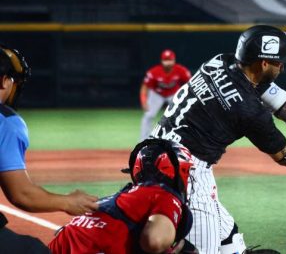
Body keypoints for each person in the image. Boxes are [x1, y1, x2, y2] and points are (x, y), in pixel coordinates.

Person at [150, 25, 286, 254]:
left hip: (152, 153)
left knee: (230, 240)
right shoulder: (249, 111)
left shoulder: (220, 62)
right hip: (187, 173)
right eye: (279, 62)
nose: (282, 66)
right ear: (263, 62)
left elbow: (283, 103)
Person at [0, 45, 99, 254]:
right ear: (3, 80)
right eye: (14, 81)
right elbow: (22, 194)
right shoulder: (6, 121)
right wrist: (68, 201)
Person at [49, 138, 197, 254]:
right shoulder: (164, 195)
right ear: (173, 171)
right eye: (186, 172)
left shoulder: (123, 197)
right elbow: (155, 241)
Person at [140, 49, 191, 140]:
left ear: (174, 60)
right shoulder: (153, 72)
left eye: (170, 60)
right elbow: (145, 87)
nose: (168, 63)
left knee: (180, 115)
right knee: (148, 115)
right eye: (166, 60)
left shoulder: (181, 70)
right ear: (161, 61)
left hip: (173, 93)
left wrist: (187, 99)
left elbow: (190, 84)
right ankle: (144, 141)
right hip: (157, 94)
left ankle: (180, 140)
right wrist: (144, 101)